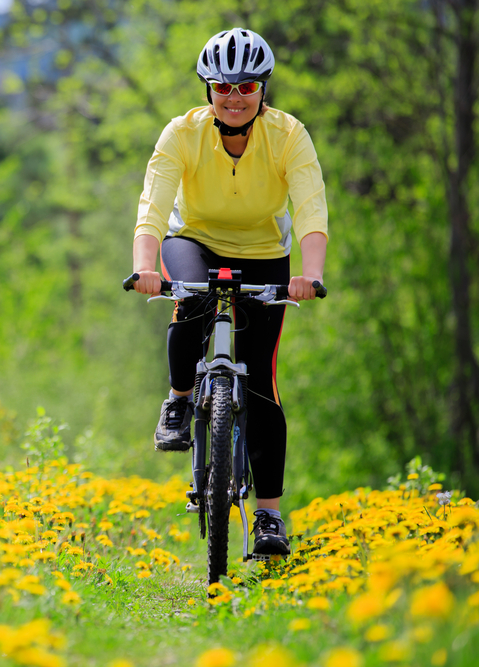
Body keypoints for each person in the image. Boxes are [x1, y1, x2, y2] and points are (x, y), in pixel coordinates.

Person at [130, 28, 328, 556]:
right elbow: (153, 206)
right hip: (193, 239)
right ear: (207, 91)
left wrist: (310, 273)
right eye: (223, 87)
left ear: (263, 90)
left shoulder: (288, 135)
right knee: (191, 302)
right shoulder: (181, 133)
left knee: (261, 383)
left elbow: (310, 207)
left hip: (265, 251)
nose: (235, 98)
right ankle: (178, 401)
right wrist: (143, 267)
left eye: (246, 87)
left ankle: (268, 517)